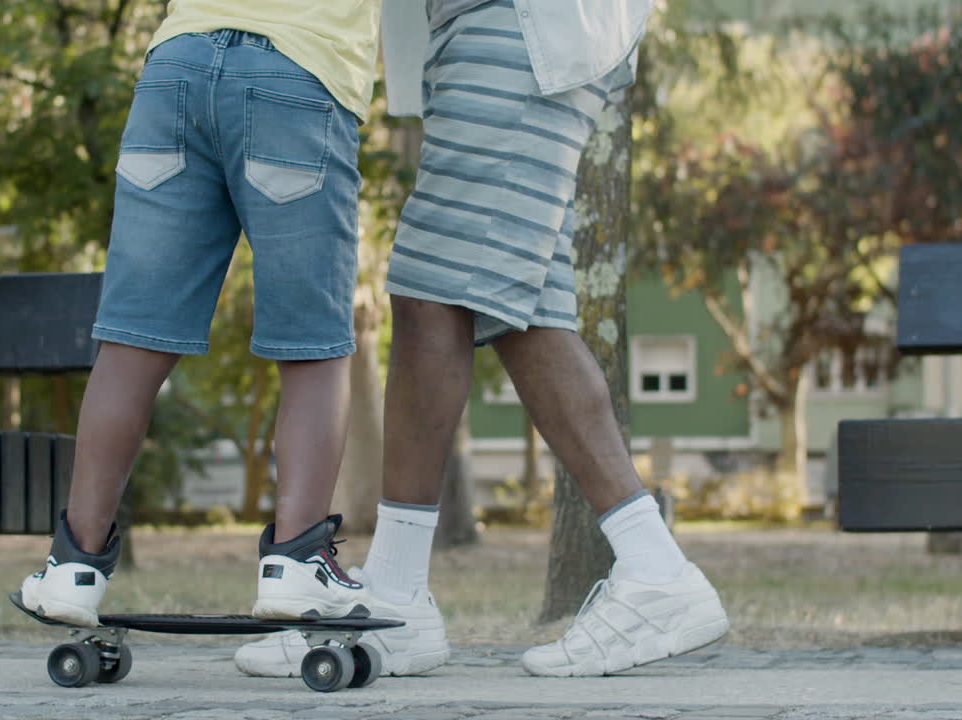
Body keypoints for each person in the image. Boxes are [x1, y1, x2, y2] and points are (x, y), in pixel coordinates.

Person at [236, 0, 730, 678]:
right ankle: (406, 595)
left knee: (436, 289)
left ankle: (652, 572)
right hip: (489, 29)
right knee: (510, 302)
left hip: (521, 26)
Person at [18, 0, 385, 627]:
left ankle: (71, 568)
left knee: (133, 339)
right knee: (313, 343)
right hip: (300, 67)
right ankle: (297, 565)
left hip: (176, 66)